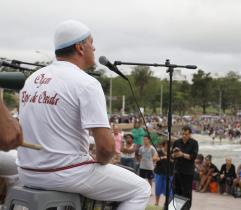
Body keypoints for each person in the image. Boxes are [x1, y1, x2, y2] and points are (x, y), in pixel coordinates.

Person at [16, 20, 150, 210]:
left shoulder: (32, 79)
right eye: (91, 42)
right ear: (80, 47)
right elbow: (106, 149)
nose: (94, 47)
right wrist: (100, 160)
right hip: (64, 174)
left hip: (26, 171)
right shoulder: (86, 83)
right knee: (141, 189)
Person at [172, 126, 199, 210]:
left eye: (186, 134)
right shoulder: (177, 142)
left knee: (187, 192)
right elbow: (172, 156)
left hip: (188, 171)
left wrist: (182, 154)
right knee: (177, 191)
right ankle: (177, 208)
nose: (184, 136)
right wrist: (175, 153)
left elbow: (193, 156)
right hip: (177, 170)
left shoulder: (194, 143)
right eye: (183, 134)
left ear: (190, 134)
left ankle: (186, 208)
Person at [154, 140, 173, 206]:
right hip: (159, 172)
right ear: (163, 145)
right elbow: (154, 158)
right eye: (167, 145)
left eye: (169, 145)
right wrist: (163, 157)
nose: (168, 146)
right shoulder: (159, 151)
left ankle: (166, 203)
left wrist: (169, 159)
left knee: (168, 190)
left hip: (169, 173)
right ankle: (157, 202)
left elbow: (175, 161)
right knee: (158, 188)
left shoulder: (172, 152)